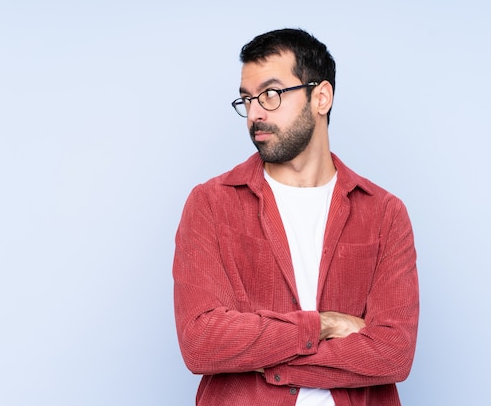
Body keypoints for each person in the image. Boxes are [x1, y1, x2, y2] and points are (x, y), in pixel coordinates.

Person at [173, 28, 419, 406]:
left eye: (270, 95)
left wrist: (267, 361)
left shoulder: (384, 213)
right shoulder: (211, 204)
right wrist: (324, 325)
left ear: (321, 97)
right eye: (247, 100)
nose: (255, 113)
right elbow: (202, 341)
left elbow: (393, 353)